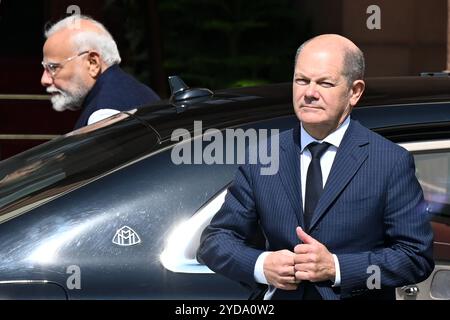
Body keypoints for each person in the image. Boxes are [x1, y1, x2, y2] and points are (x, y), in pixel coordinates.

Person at [198, 34, 434, 300]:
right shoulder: (263, 156)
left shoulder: (389, 161)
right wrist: (261, 265)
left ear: (354, 92)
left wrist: (336, 267)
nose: (309, 93)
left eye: (324, 83)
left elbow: (415, 257)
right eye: (302, 80)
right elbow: (215, 241)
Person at [40, 15, 160, 129]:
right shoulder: (136, 90)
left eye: (53, 67)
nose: (44, 80)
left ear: (93, 63)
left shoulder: (103, 116)